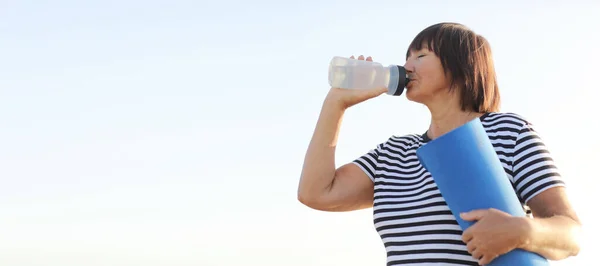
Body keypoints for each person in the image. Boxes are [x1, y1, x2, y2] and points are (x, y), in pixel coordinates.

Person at [297, 22, 582, 266]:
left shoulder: (508, 132)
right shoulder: (393, 153)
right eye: (406, 57)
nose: (406, 66)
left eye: (420, 55)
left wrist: (521, 231)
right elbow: (316, 193)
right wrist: (336, 103)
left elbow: (571, 234)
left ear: (461, 64)